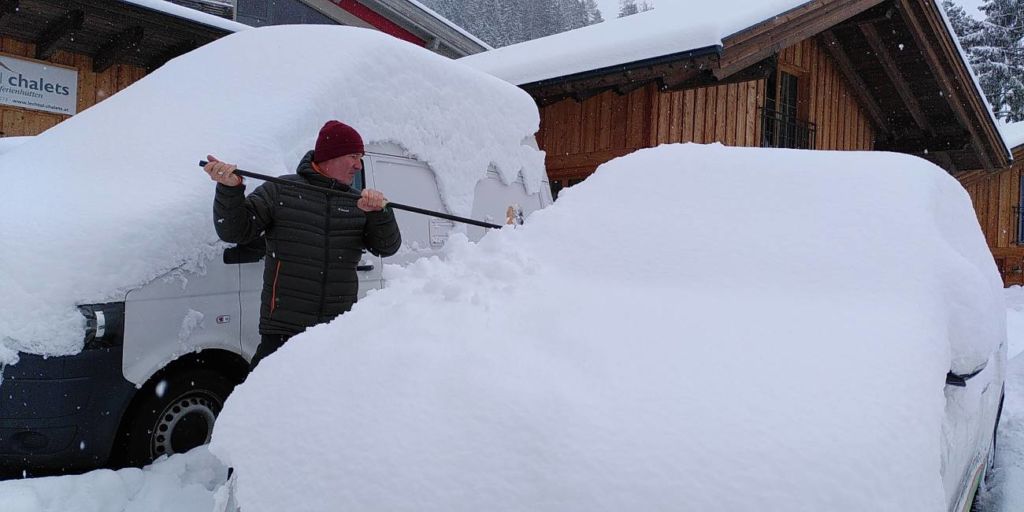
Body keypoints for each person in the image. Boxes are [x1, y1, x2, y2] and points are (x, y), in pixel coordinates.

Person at [204, 120, 401, 369]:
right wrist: (229, 190)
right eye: (353, 156)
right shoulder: (281, 191)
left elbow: (387, 247)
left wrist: (379, 214)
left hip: (337, 331)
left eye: (360, 157)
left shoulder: (357, 203)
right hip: (284, 331)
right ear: (331, 155)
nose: (358, 165)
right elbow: (235, 231)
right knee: (267, 401)